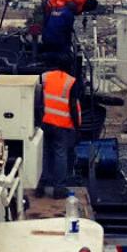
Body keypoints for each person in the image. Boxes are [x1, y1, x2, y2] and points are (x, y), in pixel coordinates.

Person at [37, 63, 82, 200]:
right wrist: (77, 127)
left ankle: (40, 186)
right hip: (62, 125)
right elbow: (74, 106)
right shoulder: (70, 81)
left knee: (43, 154)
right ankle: (59, 189)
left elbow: (38, 99)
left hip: (46, 122)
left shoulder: (44, 77)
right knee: (60, 154)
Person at [42, 0, 99, 67]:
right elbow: (67, 32)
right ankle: (50, 58)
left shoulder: (56, 11)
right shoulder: (69, 15)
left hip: (46, 39)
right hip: (58, 42)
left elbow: (46, 23)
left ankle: (48, 57)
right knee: (69, 58)